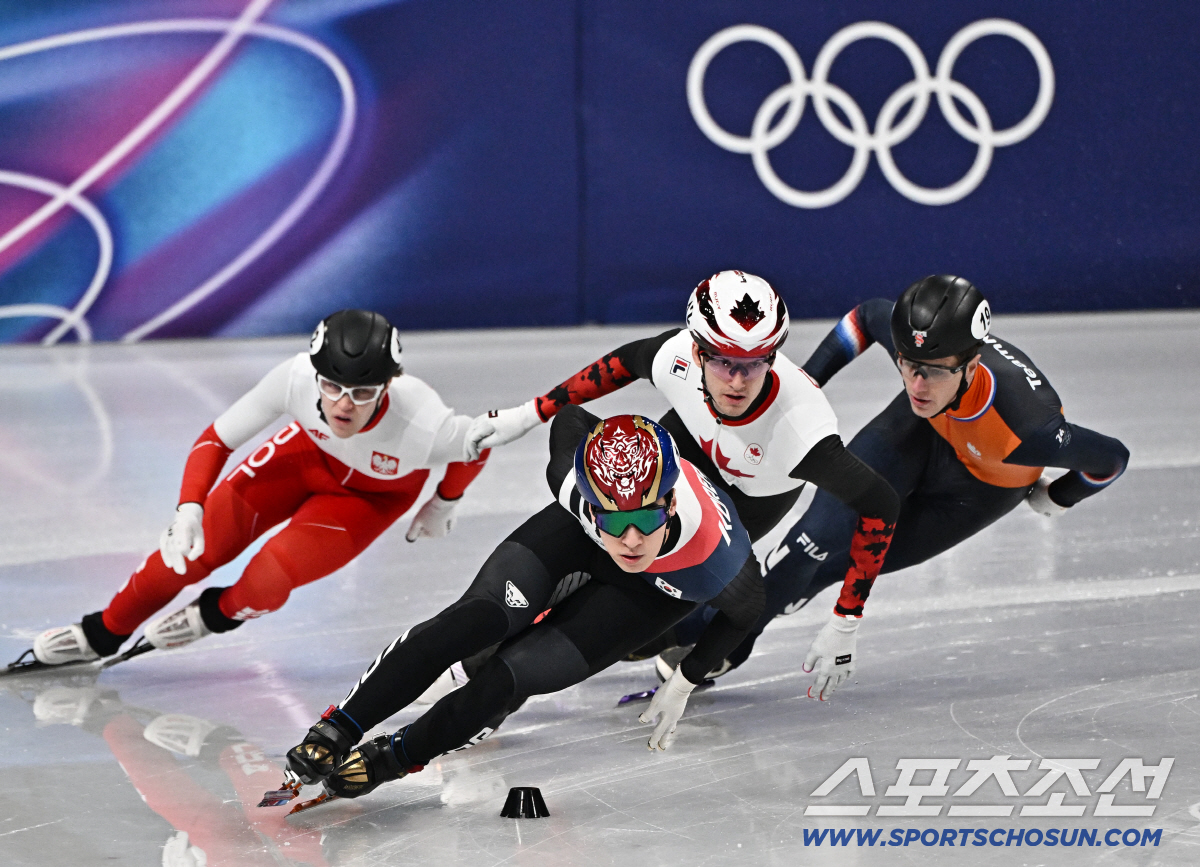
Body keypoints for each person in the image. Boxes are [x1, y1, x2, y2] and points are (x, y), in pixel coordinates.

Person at [272, 410, 763, 806]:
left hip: (651, 591)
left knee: (512, 675)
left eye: (645, 519)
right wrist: (606, 522)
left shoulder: (714, 558)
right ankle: (340, 725)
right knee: (474, 620)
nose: (631, 540)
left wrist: (685, 680)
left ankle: (394, 758)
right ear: (589, 502)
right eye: (615, 521)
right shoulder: (571, 484)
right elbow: (569, 419)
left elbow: (747, 610)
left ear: (671, 504)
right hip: (577, 534)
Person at [466, 270, 899, 699]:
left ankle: (505, 687)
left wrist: (846, 620)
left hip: (738, 506)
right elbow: (620, 364)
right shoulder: (676, 356)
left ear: (772, 358)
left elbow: (882, 504)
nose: (734, 380)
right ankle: (478, 662)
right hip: (681, 460)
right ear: (696, 352)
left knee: (620, 609)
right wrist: (527, 414)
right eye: (721, 360)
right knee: (577, 549)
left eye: (752, 363)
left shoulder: (805, 437)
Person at [19, 309, 490, 669]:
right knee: (185, 554)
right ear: (315, 375)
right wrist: (188, 508)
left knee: (267, 578)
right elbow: (216, 439)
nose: (345, 404)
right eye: (332, 385)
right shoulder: (295, 378)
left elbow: (478, 443)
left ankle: (216, 613)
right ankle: (104, 630)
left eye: (363, 392)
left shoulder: (422, 417)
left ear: (390, 384)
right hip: (303, 460)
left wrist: (444, 500)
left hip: (371, 498)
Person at [716, 274, 1131, 673]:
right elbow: (866, 316)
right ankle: (715, 639)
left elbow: (1113, 458)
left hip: (982, 489)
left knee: (834, 567)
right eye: (908, 365)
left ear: (971, 367)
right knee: (812, 540)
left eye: (932, 370)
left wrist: (1059, 495)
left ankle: (728, 644)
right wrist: (804, 387)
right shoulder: (925, 377)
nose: (916, 383)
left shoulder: (1029, 428)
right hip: (922, 428)